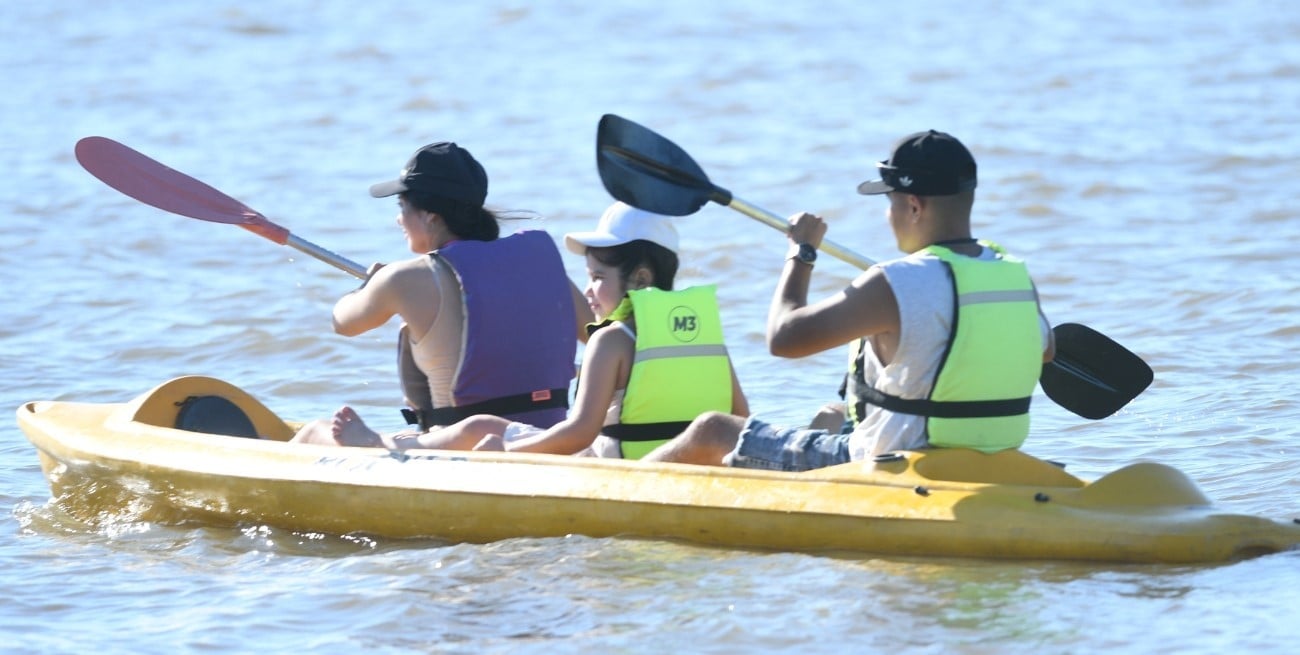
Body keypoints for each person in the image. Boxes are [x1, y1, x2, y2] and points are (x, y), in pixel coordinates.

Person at [644, 130, 1055, 470]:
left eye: (889, 204)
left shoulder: (897, 282)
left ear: (913, 206)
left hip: (895, 464)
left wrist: (801, 255)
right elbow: (1046, 351)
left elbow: (783, 338)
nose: (887, 217)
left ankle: (609, 493)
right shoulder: (1013, 274)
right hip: (996, 461)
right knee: (834, 413)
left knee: (712, 431)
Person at [330, 201, 750, 459]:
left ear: (639, 278)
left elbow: (580, 432)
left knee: (481, 428)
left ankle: (378, 446)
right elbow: (740, 416)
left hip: (621, 470)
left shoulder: (610, 339)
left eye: (598, 277)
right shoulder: (702, 333)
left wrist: (506, 450)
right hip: (678, 464)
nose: (588, 289)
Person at [291, 141, 593, 445]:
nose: (399, 219)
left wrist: (370, 285)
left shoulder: (401, 279)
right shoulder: (542, 271)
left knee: (316, 432)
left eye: (402, 207)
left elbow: (343, 322)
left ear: (432, 217)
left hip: (461, 446)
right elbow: (597, 337)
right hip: (547, 440)